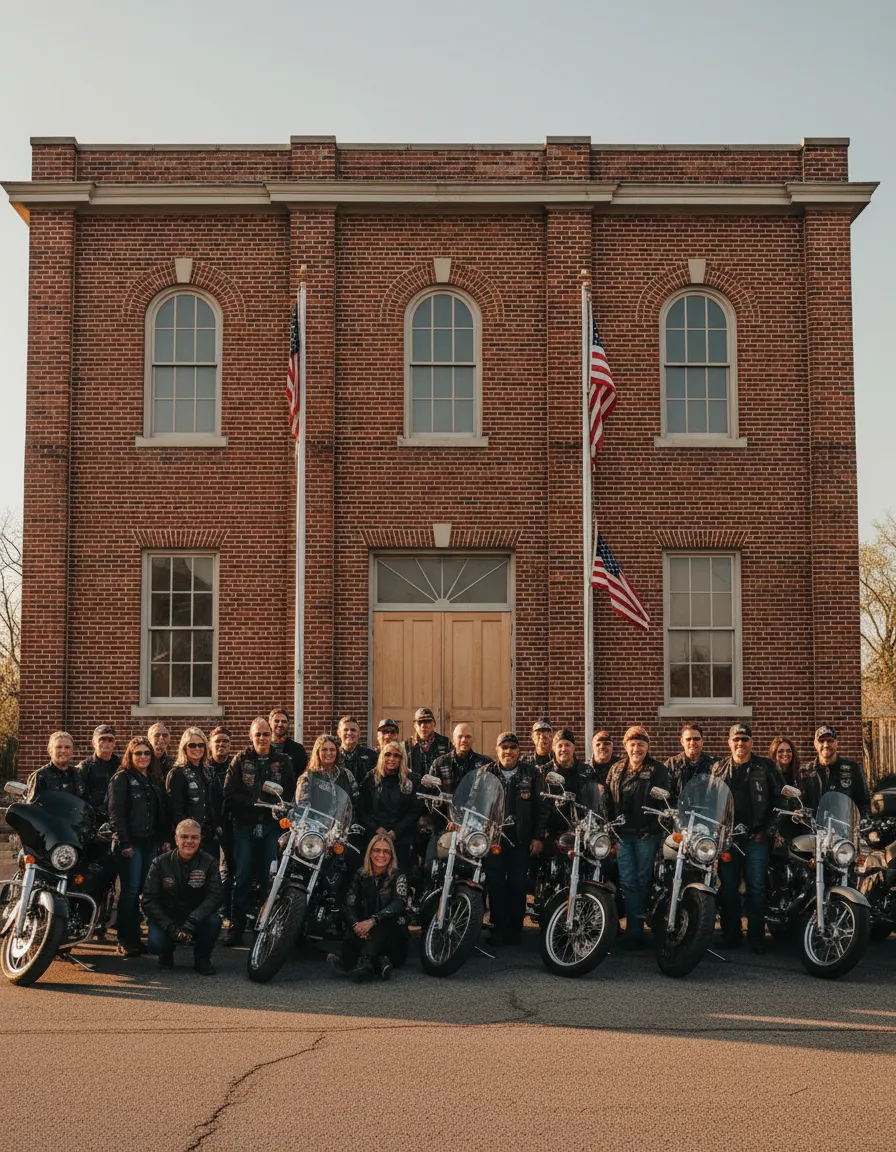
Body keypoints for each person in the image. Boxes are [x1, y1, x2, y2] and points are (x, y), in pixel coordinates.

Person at [222, 717, 297, 946]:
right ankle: (236, 927)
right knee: (242, 876)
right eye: (258, 735)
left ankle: (264, 926)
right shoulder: (240, 759)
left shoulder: (283, 761)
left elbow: (292, 793)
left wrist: (280, 807)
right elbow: (229, 791)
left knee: (270, 877)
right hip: (246, 826)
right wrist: (254, 801)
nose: (262, 738)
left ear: (271, 735)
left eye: (266, 734)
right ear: (251, 736)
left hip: (272, 827)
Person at [712, 723, 783, 953]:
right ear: (729, 742)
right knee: (728, 888)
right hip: (729, 840)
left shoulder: (766, 767)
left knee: (756, 889)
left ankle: (756, 938)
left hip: (756, 839)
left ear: (751, 742)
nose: (740, 743)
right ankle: (731, 936)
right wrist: (717, 835)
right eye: (736, 739)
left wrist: (767, 832)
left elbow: (782, 802)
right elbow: (710, 805)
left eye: (744, 739)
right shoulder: (718, 769)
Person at [604, 727, 671, 950]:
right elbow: (608, 802)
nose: (637, 748)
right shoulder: (615, 769)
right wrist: (610, 830)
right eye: (632, 744)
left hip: (646, 836)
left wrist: (654, 828)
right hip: (622, 836)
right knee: (627, 882)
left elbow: (664, 803)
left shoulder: (657, 769)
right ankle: (634, 930)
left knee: (643, 881)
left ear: (647, 747)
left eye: (641, 744)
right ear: (625, 746)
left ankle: (639, 928)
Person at [108, 735, 172, 958]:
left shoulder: (155, 779)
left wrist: (164, 839)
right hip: (130, 845)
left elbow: (161, 813)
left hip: (150, 843)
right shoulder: (121, 778)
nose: (143, 757)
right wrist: (124, 843)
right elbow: (116, 814)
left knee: (148, 891)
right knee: (130, 892)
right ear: (130, 755)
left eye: (147, 753)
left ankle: (138, 938)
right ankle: (125, 939)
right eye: (138, 753)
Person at [483, 732, 547, 946]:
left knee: (517, 885)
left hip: (521, 840)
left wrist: (538, 837)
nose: (508, 751)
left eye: (512, 747)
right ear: (497, 750)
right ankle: (498, 928)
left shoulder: (532, 774)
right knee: (496, 884)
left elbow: (542, 808)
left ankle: (514, 929)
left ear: (519, 751)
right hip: (494, 841)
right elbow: (478, 805)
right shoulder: (486, 773)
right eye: (504, 747)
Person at [143, 818, 223, 975]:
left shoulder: (210, 862)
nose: (189, 841)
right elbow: (148, 901)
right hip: (167, 918)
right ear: (176, 839)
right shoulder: (159, 863)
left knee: (214, 921)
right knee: (156, 945)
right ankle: (165, 955)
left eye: (194, 837)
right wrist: (171, 928)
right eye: (184, 836)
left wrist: (191, 922)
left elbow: (215, 896)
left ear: (200, 839)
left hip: (197, 917)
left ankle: (202, 959)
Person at [327, 834, 409, 982]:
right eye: (377, 850)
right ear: (370, 853)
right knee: (352, 927)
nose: (381, 855)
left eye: (386, 851)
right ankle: (378, 962)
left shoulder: (399, 875)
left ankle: (365, 963)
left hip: (392, 937)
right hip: (366, 933)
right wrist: (356, 925)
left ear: (391, 855)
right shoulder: (361, 874)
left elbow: (399, 903)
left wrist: (373, 920)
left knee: (380, 923)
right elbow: (349, 904)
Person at [357, 742, 421, 868]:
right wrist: (376, 828)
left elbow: (415, 810)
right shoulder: (372, 777)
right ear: (382, 756)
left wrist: (396, 831)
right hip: (375, 831)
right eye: (388, 754)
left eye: (396, 756)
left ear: (402, 759)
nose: (391, 759)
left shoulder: (411, 779)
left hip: (401, 834)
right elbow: (361, 807)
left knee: (399, 871)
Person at [166, 727, 216, 855]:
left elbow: (214, 801)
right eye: (192, 745)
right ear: (184, 748)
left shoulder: (209, 772)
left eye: (200, 745)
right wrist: (188, 833)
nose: (197, 748)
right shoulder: (177, 773)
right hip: (188, 838)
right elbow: (175, 808)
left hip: (209, 836)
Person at [809, 725, 871, 817]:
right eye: (821, 741)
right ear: (815, 744)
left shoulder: (853, 769)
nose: (826, 745)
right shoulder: (806, 772)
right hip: (814, 829)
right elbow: (799, 803)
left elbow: (864, 803)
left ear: (836, 743)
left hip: (844, 828)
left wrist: (860, 824)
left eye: (830, 741)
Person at [206, 726, 235, 917]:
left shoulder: (235, 765)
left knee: (230, 867)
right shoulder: (205, 766)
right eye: (217, 741)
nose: (221, 745)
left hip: (232, 822)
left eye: (225, 741)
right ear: (210, 744)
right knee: (210, 866)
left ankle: (225, 907)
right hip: (209, 823)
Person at [26, 731, 88, 802]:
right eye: (58, 747)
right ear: (50, 750)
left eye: (67, 747)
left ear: (72, 750)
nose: (63, 751)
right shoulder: (40, 776)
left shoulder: (79, 775)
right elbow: (31, 808)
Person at [297, 733, 360, 804]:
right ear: (317, 752)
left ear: (337, 752)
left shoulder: (347, 774)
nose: (329, 753)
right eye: (324, 750)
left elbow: (356, 801)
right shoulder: (308, 777)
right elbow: (301, 807)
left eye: (332, 750)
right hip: (317, 815)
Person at [76, 724, 121, 818]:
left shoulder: (122, 766)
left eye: (110, 740)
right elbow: (79, 799)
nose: (106, 743)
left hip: (117, 820)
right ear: (94, 742)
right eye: (102, 739)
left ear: (114, 742)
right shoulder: (84, 768)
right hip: (92, 821)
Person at [665, 722, 716, 801]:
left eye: (696, 739)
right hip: (678, 811)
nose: (692, 743)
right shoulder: (671, 764)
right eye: (688, 739)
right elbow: (664, 791)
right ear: (682, 742)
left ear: (702, 741)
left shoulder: (714, 765)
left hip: (705, 812)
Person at [404, 707, 451, 777]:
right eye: (419, 722)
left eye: (427, 722)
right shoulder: (406, 745)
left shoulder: (445, 743)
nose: (423, 726)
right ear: (414, 725)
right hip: (415, 786)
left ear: (434, 723)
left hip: (438, 786)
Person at [337, 715, 378, 784]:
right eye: (346, 730)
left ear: (358, 734)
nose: (349, 733)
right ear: (339, 733)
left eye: (353, 730)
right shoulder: (334, 756)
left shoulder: (372, 756)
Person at [269, 707, 308, 775]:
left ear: (288, 724)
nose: (280, 724)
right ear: (269, 723)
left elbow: (305, 775)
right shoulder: (263, 748)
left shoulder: (298, 749)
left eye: (284, 721)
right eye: (276, 721)